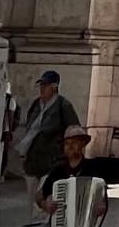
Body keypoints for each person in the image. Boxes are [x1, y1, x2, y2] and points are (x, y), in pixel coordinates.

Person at [19, 70, 80, 215]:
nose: (42, 89)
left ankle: (43, 226)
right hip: (32, 160)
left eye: (45, 85)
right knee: (32, 198)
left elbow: (74, 130)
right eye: (41, 85)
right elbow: (30, 128)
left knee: (43, 199)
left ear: (54, 87)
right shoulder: (36, 104)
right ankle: (34, 225)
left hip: (52, 161)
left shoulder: (63, 106)